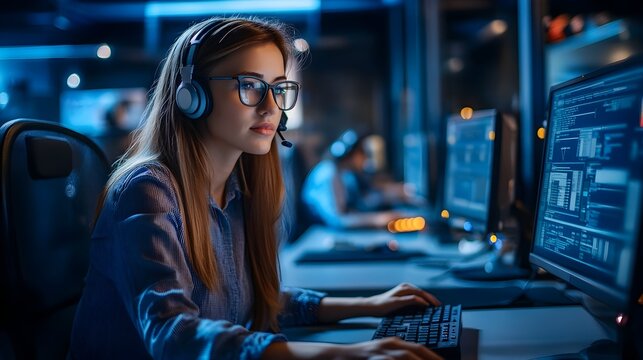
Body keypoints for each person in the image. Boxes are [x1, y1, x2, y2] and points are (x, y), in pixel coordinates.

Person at [70, 17, 442, 359]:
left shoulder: (238, 189)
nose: (271, 107)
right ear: (191, 94)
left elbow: (247, 302)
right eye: (249, 85)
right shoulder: (148, 190)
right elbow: (173, 334)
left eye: (279, 88)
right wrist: (343, 354)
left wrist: (368, 305)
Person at [301, 129, 421, 229]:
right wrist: (378, 220)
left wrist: (388, 196)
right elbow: (337, 220)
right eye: (363, 153)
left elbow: (360, 203)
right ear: (350, 153)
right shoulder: (326, 174)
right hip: (318, 235)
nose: (365, 159)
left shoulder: (345, 175)